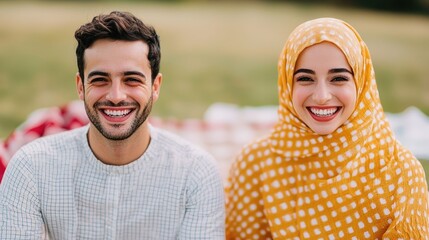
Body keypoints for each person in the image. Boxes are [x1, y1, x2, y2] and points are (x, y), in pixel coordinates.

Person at [0, 11, 225, 239]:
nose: (116, 96)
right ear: (80, 86)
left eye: (132, 80)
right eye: (100, 80)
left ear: (155, 86)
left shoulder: (195, 173)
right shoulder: (31, 167)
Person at [225, 17, 429, 239]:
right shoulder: (255, 165)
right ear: (287, 84)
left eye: (339, 78)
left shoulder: (400, 172)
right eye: (305, 78)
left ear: (361, 82)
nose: (322, 96)